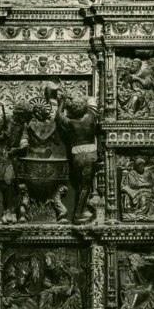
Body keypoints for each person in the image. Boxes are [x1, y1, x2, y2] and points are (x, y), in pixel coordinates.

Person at [55, 92, 99, 223]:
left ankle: (81, 210)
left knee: (80, 185)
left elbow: (58, 116)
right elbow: (91, 100)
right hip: (90, 155)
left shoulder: (71, 123)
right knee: (86, 186)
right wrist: (73, 96)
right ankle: (79, 214)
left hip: (77, 156)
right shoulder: (91, 117)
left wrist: (62, 101)